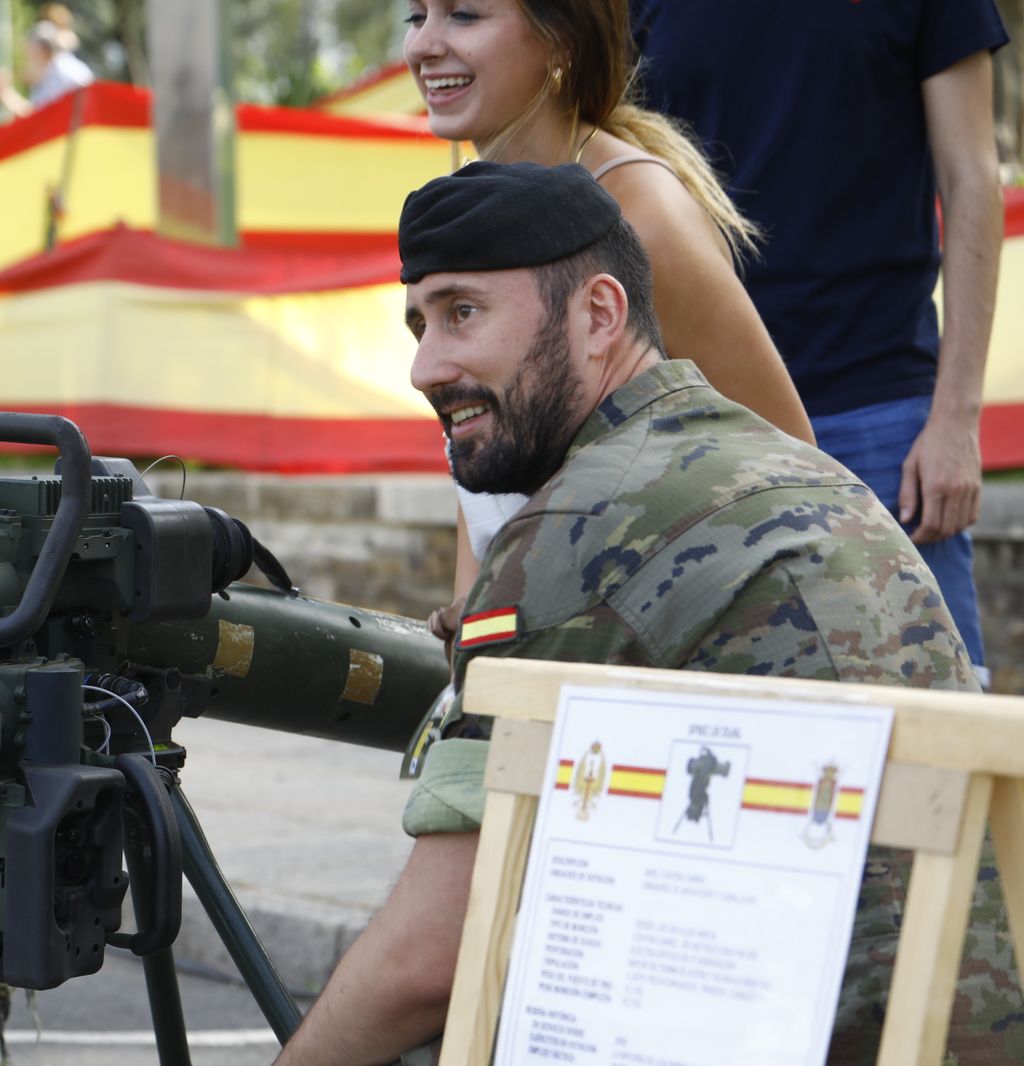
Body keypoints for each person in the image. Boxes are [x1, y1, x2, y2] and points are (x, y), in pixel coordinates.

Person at [274, 162, 1012, 1066]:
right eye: (419, 325)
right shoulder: (793, 466)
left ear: (598, 315)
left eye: (463, 312)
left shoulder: (581, 524)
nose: (427, 366)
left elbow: (428, 960)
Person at [402, 0, 816, 649]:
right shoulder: (469, 203)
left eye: (464, 15)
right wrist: (477, 615)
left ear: (561, 38)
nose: (423, 45)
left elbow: (795, 473)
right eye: (415, 16)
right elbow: (480, 470)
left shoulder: (646, 218)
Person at [632, 1, 1010, 685]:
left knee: (933, 720)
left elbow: (973, 179)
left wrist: (957, 419)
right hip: (700, 429)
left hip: (882, 419)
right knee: (716, 725)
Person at [0, 4, 95, 120]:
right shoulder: (54, 73)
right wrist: (4, 92)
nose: (28, 60)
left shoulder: (63, 74)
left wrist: (4, 94)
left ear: (41, 51)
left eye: (29, 56)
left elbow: (41, 119)